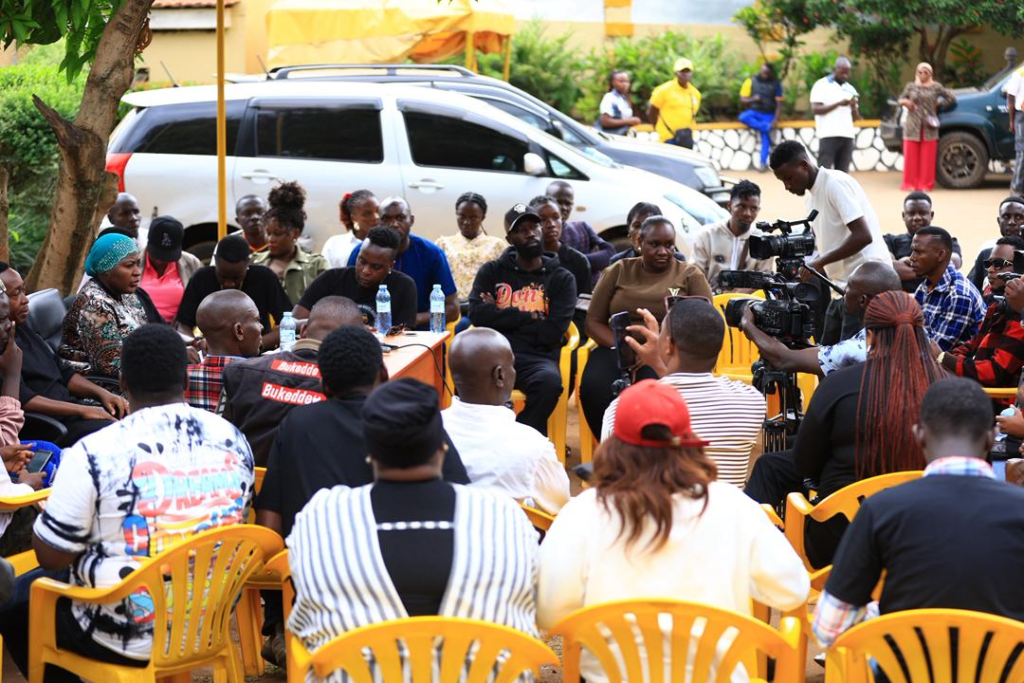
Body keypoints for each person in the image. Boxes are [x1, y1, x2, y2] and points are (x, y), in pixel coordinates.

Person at [0, 324, 254, 681]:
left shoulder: (94, 451)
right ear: (185, 378)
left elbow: (52, 555)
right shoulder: (233, 438)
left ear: (122, 382)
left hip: (122, 633)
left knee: (18, 599)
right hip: (207, 618)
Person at [538, 380, 809, 683]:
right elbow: (792, 589)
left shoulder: (583, 511)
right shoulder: (733, 505)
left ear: (614, 447)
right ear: (687, 443)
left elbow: (550, 611)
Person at [255, 332, 469, 666]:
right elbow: (463, 500)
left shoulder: (296, 425)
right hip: (421, 607)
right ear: (383, 375)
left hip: (328, 610)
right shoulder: (410, 423)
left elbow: (269, 526)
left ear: (324, 383)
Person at [285, 379, 535, 663]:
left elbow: (305, 624)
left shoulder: (321, 518)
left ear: (370, 452)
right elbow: (528, 612)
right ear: (443, 447)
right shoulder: (502, 515)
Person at [813, 377, 1024, 649]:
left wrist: (881, 616)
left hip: (902, 667)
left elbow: (828, 629)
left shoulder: (881, 509)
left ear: (919, 435)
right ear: (992, 437)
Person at [745, 291, 945, 569]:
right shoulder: (954, 390)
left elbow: (805, 465)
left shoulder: (838, 386)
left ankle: (754, 565)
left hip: (839, 542)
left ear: (869, 337)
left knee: (771, 465)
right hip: (927, 542)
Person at [604, 298, 766, 486]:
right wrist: (661, 360)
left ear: (669, 345)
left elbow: (612, 481)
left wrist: (659, 360)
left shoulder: (621, 410)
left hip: (654, 503)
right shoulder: (752, 401)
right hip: (724, 504)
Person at [579, 215, 712, 436]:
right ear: (640, 242)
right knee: (594, 387)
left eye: (669, 245)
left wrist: (658, 349)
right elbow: (593, 322)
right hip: (617, 346)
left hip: (668, 351)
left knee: (650, 394)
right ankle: (611, 446)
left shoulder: (689, 275)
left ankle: (645, 449)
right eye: (655, 244)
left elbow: (706, 322)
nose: (663, 251)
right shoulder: (618, 270)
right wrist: (627, 348)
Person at [468, 204, 576, 436]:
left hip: (538, 358)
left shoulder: (561, 278)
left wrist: (498, 314)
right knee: (467, 378)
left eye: (534, 227)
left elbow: (552, 332)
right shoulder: (492, 271)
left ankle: (518, 436)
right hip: (494, 354)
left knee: (549, 384)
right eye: (521, 230)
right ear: (509, 239)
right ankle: (481, 439)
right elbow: (477, 315)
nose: (530, 233)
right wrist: (528, 317)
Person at [769, 140, 889, 342]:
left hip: (867, 286)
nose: (787, 186)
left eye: (789, 178)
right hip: (841, 288)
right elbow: (828, 241)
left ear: (804, 165)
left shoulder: (835, 184)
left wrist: (820, 262)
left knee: (848, 358)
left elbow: (863, 235)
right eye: (783, 181)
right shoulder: (811, 197)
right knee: (826, 354)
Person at [222, 296, 362, 466]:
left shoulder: (240, 372)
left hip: (249, 479)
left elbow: (220, 439)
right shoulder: (351, 385)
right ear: (357, 342)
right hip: (313, 480)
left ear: (303, 331)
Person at [442, 328, 570, 513]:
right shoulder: (533, 446)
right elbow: (559, 504)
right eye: (512, 365)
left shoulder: (429, 430)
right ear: (500, 375)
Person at [0, 264, 128, 446]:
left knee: (131, 417)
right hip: (49, 425)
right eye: (16, 294)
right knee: (119, 434)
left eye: (23, 291)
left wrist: (103, 394)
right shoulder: (5, 349)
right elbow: (22, 400)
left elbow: (63, 371)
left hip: (70, 409)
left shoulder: (22, 327)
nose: (25, 300)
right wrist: (82, 410)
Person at [740, 261, 903, 378]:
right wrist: (804, 343)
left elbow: (784, 360)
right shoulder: (901, 330)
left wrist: (749, 325)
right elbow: (831, 356)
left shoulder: (857, 349)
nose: (844, 291)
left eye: (849, 287)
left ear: (862, 300)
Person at [347, 197, 458, 329]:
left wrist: (410, 319)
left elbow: (452, 309)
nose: (393, 224)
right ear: (378, 222)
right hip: (368, 330)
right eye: (386, 218)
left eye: (400, 218)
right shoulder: (361, 253)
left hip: (418, 334)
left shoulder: (431, 254)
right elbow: (346, 302)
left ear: (411, 220)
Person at [929, 237, 1024, 387]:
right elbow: (970, 347)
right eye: (988, 264)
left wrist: (943, 358)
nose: (990, 270)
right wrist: (949, 359)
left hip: (997, 399)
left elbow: (994, 373)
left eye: (999, 264)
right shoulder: (996, 306)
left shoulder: (1019, 315)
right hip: (977, 390)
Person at [176, 234, 292, 349]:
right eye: (223, 276)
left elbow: (289, 323)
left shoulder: (264, 278)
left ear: (248, 262)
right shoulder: (201, 279)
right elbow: (182, 325)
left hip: (259, 354)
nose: (229, 284)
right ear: (215, 260)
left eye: (236, 278)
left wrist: (259, 344)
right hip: (212, 352)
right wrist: (195, 344)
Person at [59, 233, 148, 378]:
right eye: (129, 265)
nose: (137, 272)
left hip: (137, 372)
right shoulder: (95, 305)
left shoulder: (126, 295)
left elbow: (145, 336)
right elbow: (111, 366)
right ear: (106, 268)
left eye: (138, 264)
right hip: (103, 385)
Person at [295, 226, 418, 330]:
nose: (366, 271)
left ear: (390, 266)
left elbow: (404, 336)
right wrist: (333, 325)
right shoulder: (331, 279)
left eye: (376, 267)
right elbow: (293, 322)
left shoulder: (404, 287)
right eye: (362, 261)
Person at [184, 290, 262, 412]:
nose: (261, 327)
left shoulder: (182, 378)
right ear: (239, 331)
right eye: (257, 320)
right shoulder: (260, 378)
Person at [910, 226, 985, 351]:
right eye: (912, 251)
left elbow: (934, 352)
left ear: (941, 255)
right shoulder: (925, 286)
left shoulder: (958, 295)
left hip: (950, 362)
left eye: (919, 252)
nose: (912, 257)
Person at [253, 182, 328, 305]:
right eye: (268, 233)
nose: (270, 239)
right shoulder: (254, 262)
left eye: (278, 233)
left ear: (295, 233)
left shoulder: (316, 265)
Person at [692, 180, 773, 290]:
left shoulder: (762, 241)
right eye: (742, 206)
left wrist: (740, 294)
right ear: (730, 205)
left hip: (747, 300)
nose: (747, 214)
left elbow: (764, 282)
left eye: (753, 208)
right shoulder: (707, 235)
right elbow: (694, 275)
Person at [883, 191, 962, 292]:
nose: (917, 217)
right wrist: (934, 269)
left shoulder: (946, 240)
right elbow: (887, 267)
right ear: (903, 215)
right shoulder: (889, 241)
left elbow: (954, 261)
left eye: (922, 213)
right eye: (911, 213)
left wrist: (906, 265)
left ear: (931, 215)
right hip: (902, 299)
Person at [435, 192, 506, 302]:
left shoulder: (497, 245)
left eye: (473, 218)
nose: (466, 222)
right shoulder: (442, 244)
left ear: (482, 218)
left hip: (483, 306)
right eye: (462, 216)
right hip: (451, 306)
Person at [897, 63, 956, 191]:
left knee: (927, 158)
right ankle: (910, 184)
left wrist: (938, 105)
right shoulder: (911, 86)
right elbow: (900, 99)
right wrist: (906, 102)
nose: (923, 74)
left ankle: (926, 185)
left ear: (931, 73)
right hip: (912, 125)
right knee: (911, 157)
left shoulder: (936, 86)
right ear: (916, 72)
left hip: (929, 126)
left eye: (926, 72)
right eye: (920, 72)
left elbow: (951, 97)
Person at [546, 181, 616, 285]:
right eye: (559, 202)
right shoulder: (542, 233)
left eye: (568, 203)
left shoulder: (582, 227)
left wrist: (578, 260)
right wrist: (587, 262)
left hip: (587, 290)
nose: (564, 207)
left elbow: (609, 253)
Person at [139, 216, 202, 323]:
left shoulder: (191, 263)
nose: (161, 261)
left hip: (178, 328)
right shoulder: (134, 261)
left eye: (167, 257)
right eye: (157, 255)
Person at [529, 194, 592, 297]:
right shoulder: (524, 258)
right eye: (543, 219)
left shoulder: (578, 261)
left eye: (556, 218)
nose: (551, 224)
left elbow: (583, 302)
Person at [809, 56, 860, 173]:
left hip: (847, 135)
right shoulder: (821, 85)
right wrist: (838, 104)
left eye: (847, 72)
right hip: (828, 134)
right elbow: (815, 109)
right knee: (824, 172)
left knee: (842, 174)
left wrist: (853, 107)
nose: (845, 76)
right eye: (842, 72)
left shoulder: (850, 89)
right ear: (834, 69)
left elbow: (855, 118)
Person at [967, 196, 1024, 292]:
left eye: (1018, 217)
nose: (1012, 222)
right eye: (1006, 217)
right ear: (999, 221)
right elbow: (970, 290)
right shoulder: (986, 254)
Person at [647, 57, 701, 149]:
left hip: (686, 139)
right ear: (676, 73)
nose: (685, 74)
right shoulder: (663, 90)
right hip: (668, 138)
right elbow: (651, 112)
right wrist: (659, 129)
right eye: (682, 71)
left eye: (688, 71)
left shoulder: (695, 93)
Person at [738, 63, 784, 169]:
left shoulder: (776, 83)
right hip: (754, 112)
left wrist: (775, 119)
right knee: (743, 117)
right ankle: (766, 126)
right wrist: (753, 99)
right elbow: (742, 99)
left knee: (765, 137)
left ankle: (762, 163)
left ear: (770, 73)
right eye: (763, 72)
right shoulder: (751, 81)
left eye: (767, 73)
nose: (764, 75)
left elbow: (779, 104)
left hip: (768, 114)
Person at [609, 202, 685, 265]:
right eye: (637, 226)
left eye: (648, 226)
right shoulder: (617, 262)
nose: (641, 232)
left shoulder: (677, 261)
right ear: (629, 231)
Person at [321, 190, 380, 269]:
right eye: (367, 213)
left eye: (378, 211)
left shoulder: (388, 244)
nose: (376, 217)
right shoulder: (334, 244)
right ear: (353, 218)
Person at [597, 70, 641, 135]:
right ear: (613, 83)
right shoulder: (610, 97)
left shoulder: (624, 98)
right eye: (621, 81)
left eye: (626, 81)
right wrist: (629, 121)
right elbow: (605, 122)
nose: (625, 84)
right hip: (612, 135)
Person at [1008, 62, 1024, 198]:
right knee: (1022, 153)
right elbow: (1011, 97)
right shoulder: (1019, 73)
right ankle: (1016, 189)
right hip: (1022, 117)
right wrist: (1012, 121)